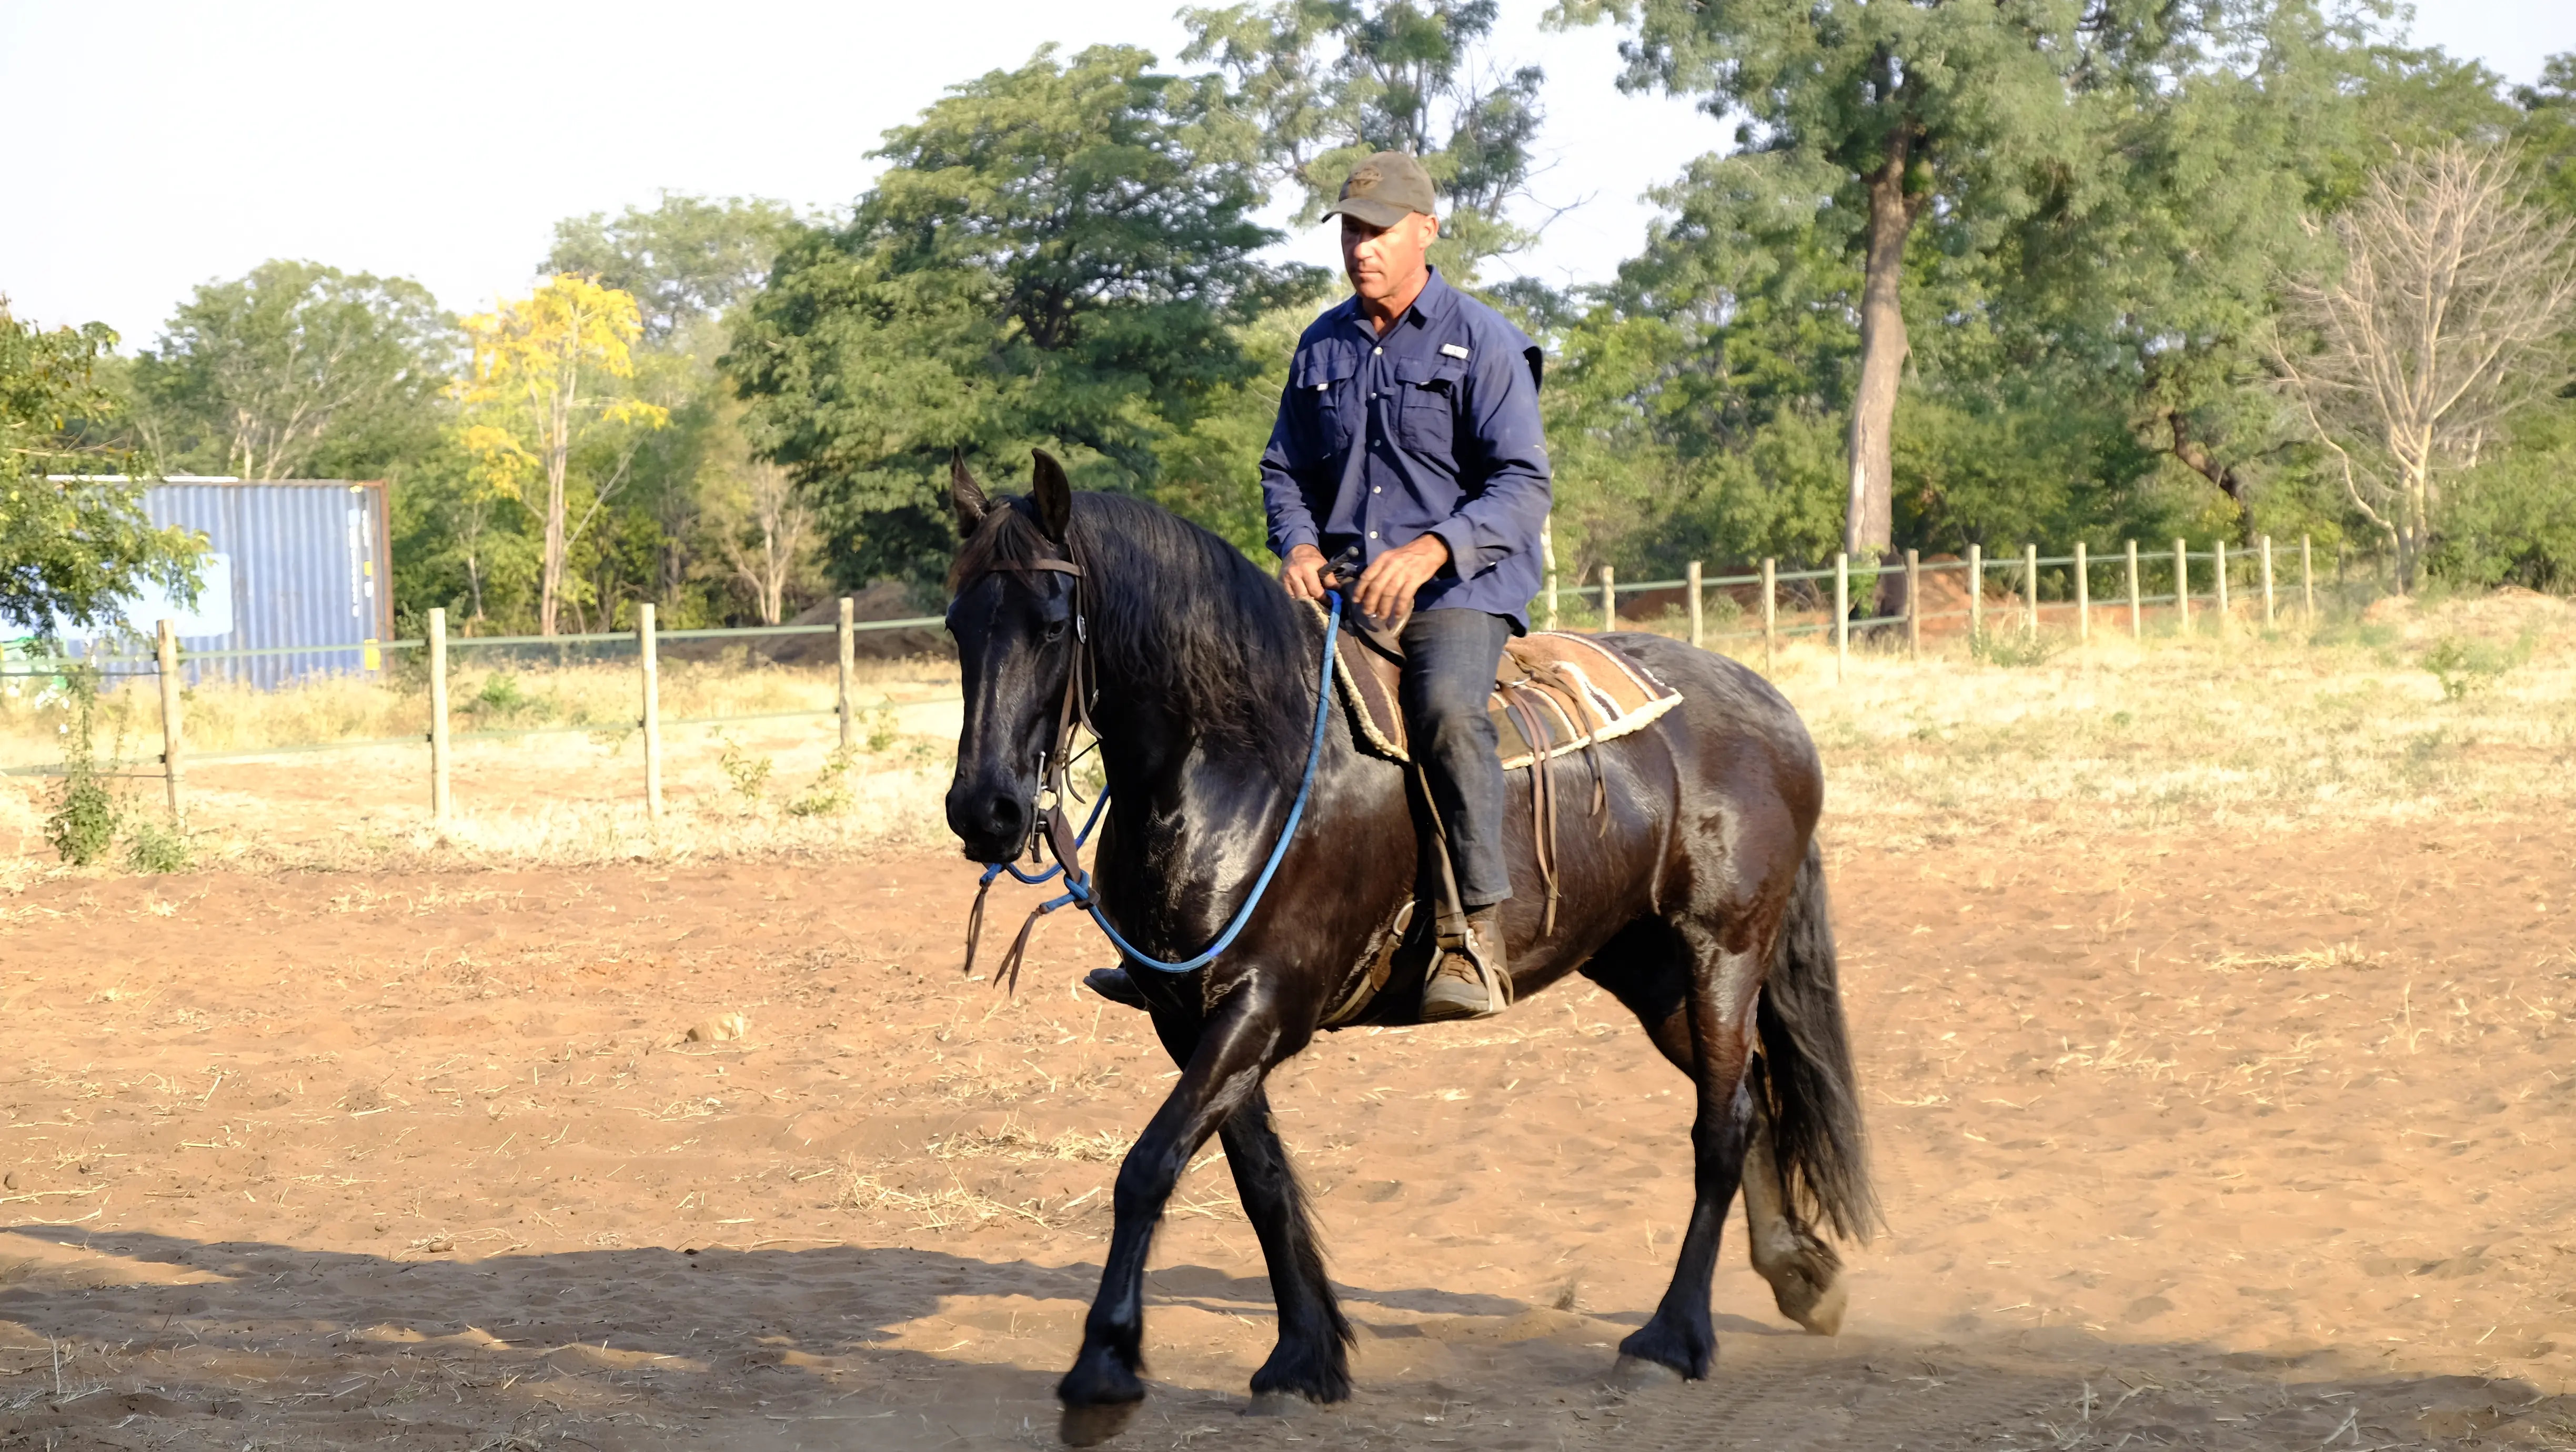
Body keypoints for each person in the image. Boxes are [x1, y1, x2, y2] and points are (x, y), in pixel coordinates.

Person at [1084, 152, 1552, 1021]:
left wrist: (1431, 551)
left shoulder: (1484, 342)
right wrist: (1297, 546)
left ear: (1426, 231)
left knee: (1446, 715)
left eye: (1378, 232)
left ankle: (1472, 932)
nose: (1360, 248)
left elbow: (1522, 487)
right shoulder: (1322, 345)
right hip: (1336, 593)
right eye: (1350, 232)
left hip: (1456, 594)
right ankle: (1172, 935)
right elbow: (1283, 470)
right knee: (1209, 701)